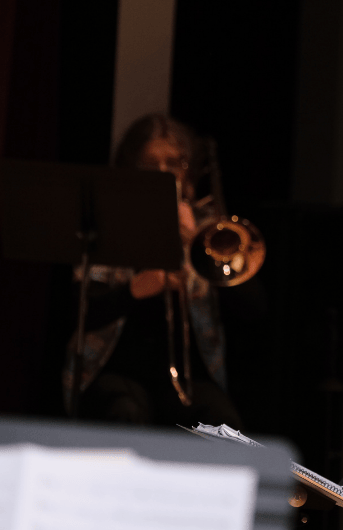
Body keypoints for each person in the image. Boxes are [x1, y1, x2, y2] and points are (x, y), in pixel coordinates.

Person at [62, 114, 259, 428]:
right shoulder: (109, 220)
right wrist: (134, 290)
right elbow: (78, 311)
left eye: (174, 163)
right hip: (115, 370)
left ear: (189, 172)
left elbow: (250, 309)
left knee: (222, 422)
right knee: (125, 411)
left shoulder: (210, 227)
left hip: (189, 377)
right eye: (151, 164)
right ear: (132, 169)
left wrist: (194, 241)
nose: (164, 173)